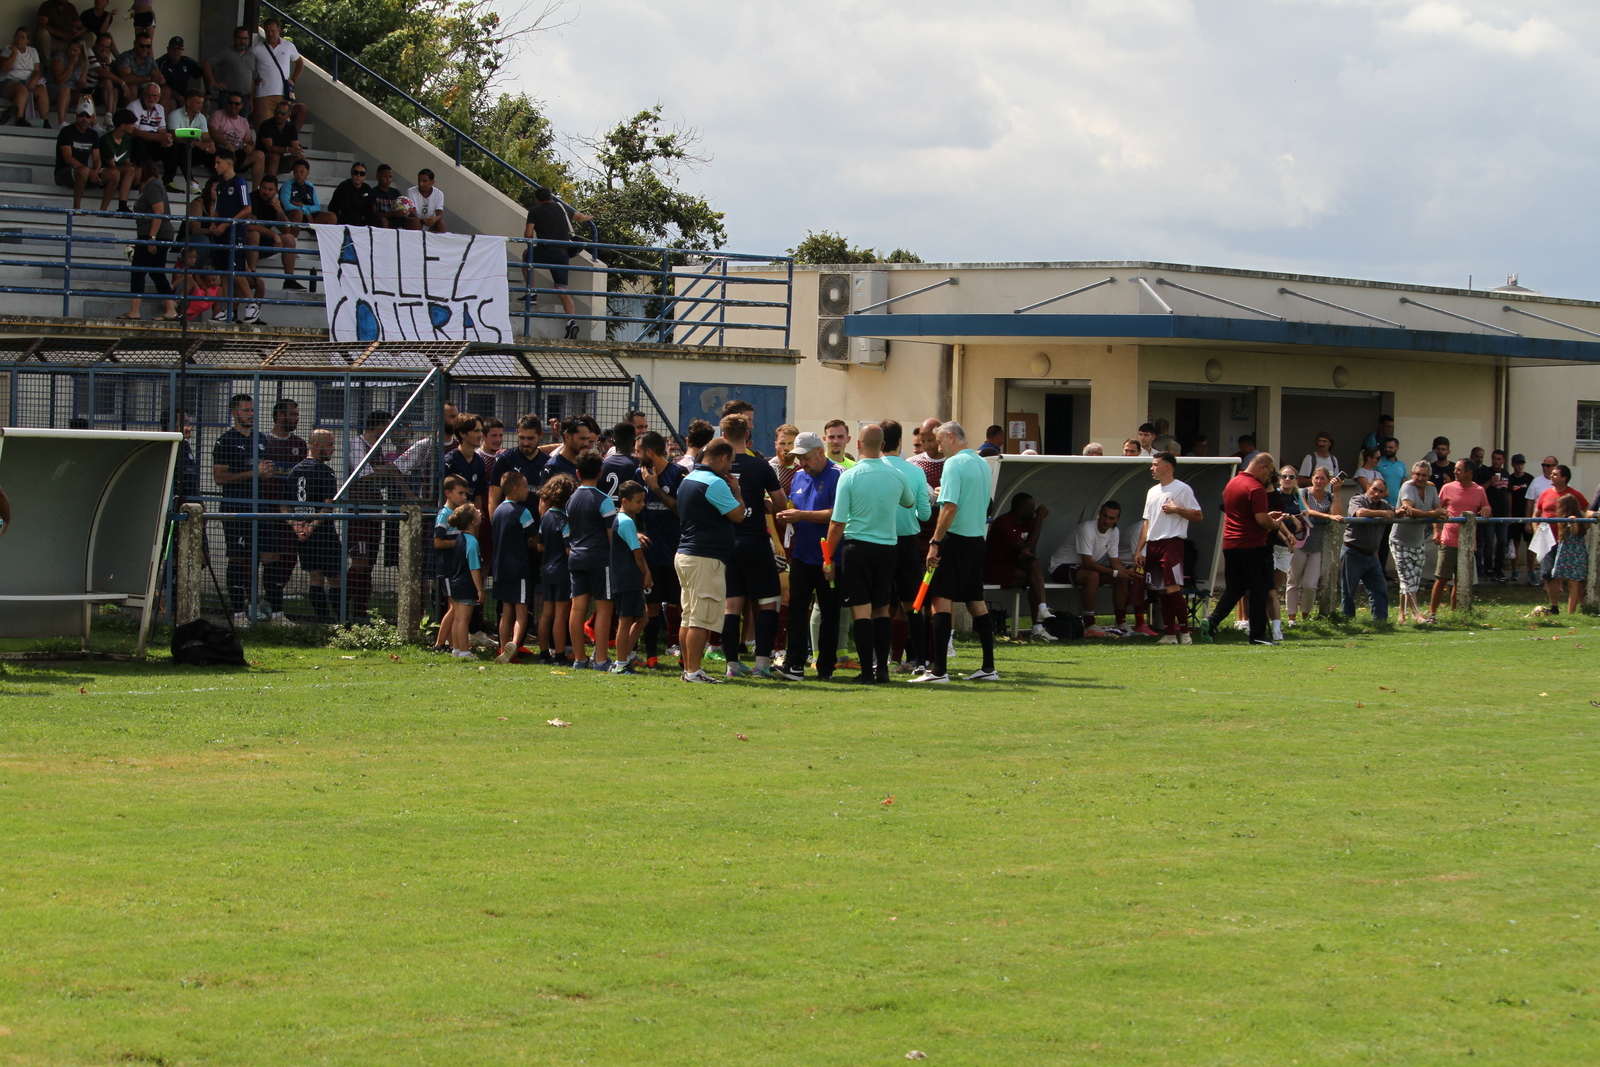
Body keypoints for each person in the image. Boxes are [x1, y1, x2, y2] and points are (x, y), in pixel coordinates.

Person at [822, 423, 915, 684]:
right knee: (882, 609)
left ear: (858, 445)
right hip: (887, 547)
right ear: (883, 446)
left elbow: (837, 522)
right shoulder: (896, 474)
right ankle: (882, 669)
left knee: (860, 611)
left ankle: (866, 671)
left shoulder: (849, 476)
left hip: (858, 547)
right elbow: (908, 502)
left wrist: (827, 557)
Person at [912, 421, 999, 683]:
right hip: (976, 539)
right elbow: (981, 502)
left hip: (955, 540)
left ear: (950, 437)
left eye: (939, 441)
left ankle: (939, 671)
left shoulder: (953, 464)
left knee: (939, 599)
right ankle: (988, 668)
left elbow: (949, 507)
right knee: (976, 602)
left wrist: (935, 542)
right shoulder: (982, 463)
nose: (938, 447)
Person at [719, 413, 787, 679]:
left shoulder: (716, 464)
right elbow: (781, 502)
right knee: (769, 601)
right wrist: (764, 502)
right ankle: (761, 664)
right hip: (755, 540)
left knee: (731, 606)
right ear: (747, 435)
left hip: (727, 541)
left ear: (723, 435)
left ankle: (732, 666)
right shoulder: (760, 466)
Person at [675, 438, 747, 683]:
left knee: (688, 616)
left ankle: (689, 669)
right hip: (704, 558)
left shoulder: (688, 479)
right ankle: (694, 672)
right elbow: (738, 515)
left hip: (686, 555)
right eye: (731, 462)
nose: (730, 468)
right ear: (723, 458)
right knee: (699, 618)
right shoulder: (714, 483)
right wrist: (736, 490)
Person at [775, 432, 843, 681]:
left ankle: (826, 667)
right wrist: (786, 513)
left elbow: (838, 514)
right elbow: (795, 505)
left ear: (820, 453)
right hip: (802, 555)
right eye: (797, 458)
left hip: (829, 556)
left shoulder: (838, 475)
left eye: (805, 458)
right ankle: (794, 663)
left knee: (829, 612)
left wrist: (802, 515)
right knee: (796, 609)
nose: (802, 462)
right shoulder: (799, 476)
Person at [1197, 454, 1277, 645]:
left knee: (1235, 588)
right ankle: (1257, 635)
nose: (1270, 478)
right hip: (1252, 544)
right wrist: (1275, 524)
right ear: (1263, 467)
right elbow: (1261, 520)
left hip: (1230, 544)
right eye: (1271, 472)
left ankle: (1212, 619)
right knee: (1259, 589)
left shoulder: (1232, 483)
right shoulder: (1256, 488)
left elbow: (1235, 508)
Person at [1133, 451, 1205, 644]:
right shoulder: (1152, 491)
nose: (1152, 468)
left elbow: (1198, 516)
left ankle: (1186, 633)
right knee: (1161, 591)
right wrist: (1140, 549)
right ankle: (1170, 634)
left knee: (1173, 589)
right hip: (1154, 545)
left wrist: (1177, 510)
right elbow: (1147, 522)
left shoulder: (1182, 489)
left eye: (1155, 464)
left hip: (1172, 543)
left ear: (1167, 466)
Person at [212, 392, 272, 624]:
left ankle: (271, 610)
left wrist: (266, 473)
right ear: (234, 413)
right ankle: (238, 612)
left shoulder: (260, 438)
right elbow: (219, 477)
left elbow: (262, 474)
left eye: (253, 410)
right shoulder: (225, 440)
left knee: (269, 556)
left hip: (260, 506)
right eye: (246, 410)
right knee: (238, 558)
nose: (251, 414)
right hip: (236, 507)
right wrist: (252, 473)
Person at [881, 419, 934, 671]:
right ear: (900, 441)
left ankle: (882, 660)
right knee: (912, 603)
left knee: (879, 603)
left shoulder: (867, 468)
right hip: (907, 541)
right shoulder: (914, 470)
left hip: (878, 540)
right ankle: (920, 660)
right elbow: (924, 515)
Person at [345, 408, 402, 624]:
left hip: (374, 509)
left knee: (368, 562)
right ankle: (340, 602)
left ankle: (361, 611)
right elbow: (365, 474)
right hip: (359, 510)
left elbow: (379, 475)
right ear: (380, 426)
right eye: (388, 427)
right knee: (359, 561)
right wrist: (392, 468)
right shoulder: (357, 444)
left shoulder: (378, 448)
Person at [565, 449, 616, 672]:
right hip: (598, 558)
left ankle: (579, 658)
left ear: (577, 473)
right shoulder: (604, 500)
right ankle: (602, 660)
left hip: (576, 558)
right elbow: (610, 535)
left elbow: (567, 531)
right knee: (604, 608)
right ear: (601, 473)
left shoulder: (571, 500)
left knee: (577, 609)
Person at [636, 431, 684, 666]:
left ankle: (684, 656)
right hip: (651, 553)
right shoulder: (639, 474)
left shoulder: (677, 474)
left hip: (675, 551)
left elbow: (679, 510)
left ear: (649, 452)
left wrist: (656, 488)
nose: (636, 456)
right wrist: (635, 531)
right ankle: (652, 655)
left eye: (638, 451)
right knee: (651, 606)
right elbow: (631, 509)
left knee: (682, 605)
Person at [256, 398, 306, 624]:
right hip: (265, 508)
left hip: (289, 511)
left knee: (288, 558)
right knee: (260, 557)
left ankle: (269, 601)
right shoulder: (263, 442)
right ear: (279, 416)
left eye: (297, 414)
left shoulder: (300, 444)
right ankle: (249, 604)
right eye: (292, 415)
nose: (296, 419)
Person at [1050, 500, 1131, 636]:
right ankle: (1089, 625)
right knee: (1093, 575)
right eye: (1104, 515)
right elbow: (1088, 563)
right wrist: (1116, 573)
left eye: (1111, 518)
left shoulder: (1114, 531)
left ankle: (1121, 622)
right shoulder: (1087, 529)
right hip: (1060, 567)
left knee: (1120, 579)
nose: (1106, 520)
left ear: (1117, 519)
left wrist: (1125, 573)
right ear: (1099, 513)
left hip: (1084, 568)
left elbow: (1114, 560)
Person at [984, 492, 1057, 640]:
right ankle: (1039, 623)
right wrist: (1039, 521)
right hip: (994, 568)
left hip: (1014, 565)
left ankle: (1040, 616)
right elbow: (1029, 547)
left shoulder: (1027, 521)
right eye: (1031, 509)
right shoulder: (1003, 522)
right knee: (1035, 579)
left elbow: (1031, 550)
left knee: (1034, 567)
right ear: (1020, 509)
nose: (1034, 512)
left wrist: (1027, 551)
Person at [523, 185, 591, 339]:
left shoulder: (534, 211)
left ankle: (532, 293)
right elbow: (579, 217)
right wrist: (589, 217)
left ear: (537, 200)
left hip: (544, 251)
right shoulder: (562, 208)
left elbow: (528, 233)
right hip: (562, 253)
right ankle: (571, 322)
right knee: (562, 289)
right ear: (552, 198)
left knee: (526, 259)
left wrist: (530, 247)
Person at [1429, 459, 1491, 617]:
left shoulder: (1479, 490)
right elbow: (1437, 509)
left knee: (1461, 581)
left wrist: (1486, 508)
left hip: (1468, 543)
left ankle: (1454, 613)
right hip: (1448, 540)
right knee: (1442, 578)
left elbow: (1486, 507)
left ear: (1470, 472)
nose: (1455, 472)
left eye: (1459, 469)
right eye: (1455, 469)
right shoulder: (1447, 488)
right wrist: (1437, 531)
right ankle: (1432, 614)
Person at [289, 428, 340, 621]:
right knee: (335, 578)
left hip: (303, 534)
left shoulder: (296, 470)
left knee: (316, 577)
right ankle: (339, 620)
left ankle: (323, 619)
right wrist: (311, 526)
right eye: (329, 444)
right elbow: (328, 507)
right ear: (316, 445)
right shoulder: (325, 472)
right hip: (323, 532)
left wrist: (296, 526)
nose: (333, 449)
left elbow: (284, 505)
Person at [490, 469, 537, 664]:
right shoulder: (523, 511)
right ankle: (515, 646)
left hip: (500, 567)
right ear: (516, 489)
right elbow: (533, 538)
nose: (528, 491)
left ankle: (503, 646)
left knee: (506, 610)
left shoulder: (498, 510)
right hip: (518, 567)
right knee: (521, 611)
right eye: (526, 487)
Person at [206, 147, 256, 322]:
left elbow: (247, 209)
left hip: (235, 232)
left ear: (229, 164)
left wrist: (228, 223)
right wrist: (214, 223)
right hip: (222, 232)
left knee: (236, 269)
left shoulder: (239, 182)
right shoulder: (220, 186)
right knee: (224, 271)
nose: (215, 166)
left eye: (218, 162)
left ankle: (252, 304)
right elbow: (218, 210)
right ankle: (228, 309)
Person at [120, 156, 174, 319]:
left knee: (138, 272)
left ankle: (135, 311)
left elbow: (158, 211)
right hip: (157, 234)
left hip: (154, 234)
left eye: (136, 169)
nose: (134, 173)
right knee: (157, 273)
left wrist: (151, 237)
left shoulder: (152, 186)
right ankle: (171, 310)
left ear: (142, 169)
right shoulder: (151, 186)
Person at [1530, 464, 1587, 615]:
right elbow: (1536, 514)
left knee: (1572, 576)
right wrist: (1536, 530)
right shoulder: (1545, 493)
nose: (1551, 476)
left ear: (1564, 477)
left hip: (1568, 542)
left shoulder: (1573, 495)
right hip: (1548, 539)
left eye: (1555, 474)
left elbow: (1588, 511)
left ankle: (1581, 607)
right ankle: (1554, 606)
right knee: (1549, 573)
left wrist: (1582, 527)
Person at [1286, 465, 1341, 623]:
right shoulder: (1302, 492)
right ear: (1312, 479)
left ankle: (1305, 616)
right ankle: (1291, 618)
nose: (1318, 481)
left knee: (1310, 585)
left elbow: (1338, 514)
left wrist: (1336, 492)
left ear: (1328, 481)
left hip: (1317, 546)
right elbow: (1308, 511)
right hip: (1300, 543)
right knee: (1293, 581)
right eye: (1316, 477)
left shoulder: (1329, 497)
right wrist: (1328, 517)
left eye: (1322, 478)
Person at [607, 481, 651, 673]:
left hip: (628, 577)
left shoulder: (624, 520)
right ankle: (621, 664)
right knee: (625, 621)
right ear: (625, 501)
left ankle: (625, 656)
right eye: (639, 501)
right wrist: (646, 572)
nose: (642, 505)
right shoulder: (625, 522)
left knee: (643, 618)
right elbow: (637, 553)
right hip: (625, 578)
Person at [1391, 461, 1442, 624]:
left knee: (1412, 580)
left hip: (1417, 540)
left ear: (1429, 476)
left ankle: (1401, 616)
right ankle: (1416, 614)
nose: (1419, 478)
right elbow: (1409, 510)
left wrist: (1440, 517)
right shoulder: (1407, 487)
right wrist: (1432, 514)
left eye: (1423, 475)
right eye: (1417, 474)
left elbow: (1438, 509)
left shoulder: (1432, 488)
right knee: (1407, 578)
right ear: (1412, 473)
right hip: (1400, 539)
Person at [534, 474, 575, 664]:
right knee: (561, 614)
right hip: (561, 572)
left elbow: (540, 546)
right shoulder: (565, 520)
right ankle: (559, 654)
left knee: (546, 613)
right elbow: (569, 549)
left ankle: (543, 653)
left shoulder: (546, 517)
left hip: (546, 570)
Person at [1266, 465, 1306, 641]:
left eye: (1291, 477)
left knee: (1275, 587)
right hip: (1273, 544)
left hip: (1287, 548)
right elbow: (1275, 520)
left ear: (1296, 479)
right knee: (1268, 588)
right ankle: (1267, 624)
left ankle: (1271, 624)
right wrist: (1287, 534)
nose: (1287, 479)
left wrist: (1297, 521)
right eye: (1284, 476)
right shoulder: (1276, 496)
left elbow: (1304, 513)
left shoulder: (1298, 496)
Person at [440, 504, 483, 659]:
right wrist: (480, 589)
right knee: (464, 620)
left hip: (455, 582)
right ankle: (465, 651)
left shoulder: (459, 538)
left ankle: (456, 649)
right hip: (466, 584)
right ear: (474, 522)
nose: (479, 512)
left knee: (457, 619)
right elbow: (474, 567)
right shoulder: (472, 541)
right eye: (476, 512)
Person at [249, 18, 304, 126]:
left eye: (273, 31)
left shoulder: (288, 46)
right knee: (263, 125)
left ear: (279, 30)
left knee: (282, 127)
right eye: (267, 31)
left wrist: (293, 79)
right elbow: (249, 69)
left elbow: (300, 62)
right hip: (263, 94)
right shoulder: (256, 49)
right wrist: (254, 81)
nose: (270, 34)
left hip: (283, 94)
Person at [163, 84, 211, 191]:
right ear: (188, 102)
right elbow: (175, 137)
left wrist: (210, 144)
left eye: (202, 103)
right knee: (183, 147)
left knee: (217, 153)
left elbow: (206, 137)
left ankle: (217, 186)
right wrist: (197, 144)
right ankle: (190, 182)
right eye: (198, 103)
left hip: (192, 153)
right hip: (177, 152)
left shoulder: (201, 117)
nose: (200, 106)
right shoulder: (175, 115)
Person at [53, 101, 100, 207]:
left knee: (113, 174)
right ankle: (76, 208)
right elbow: (68, 158)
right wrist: (89, 170)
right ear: (76, 115)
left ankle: (104, 212)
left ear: (92, 117)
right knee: (83, 171)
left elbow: (96, 158)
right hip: (64, 173)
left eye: (87, 116)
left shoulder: (93, 134)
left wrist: (95, 170)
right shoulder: (66, 131)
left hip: (84, 173)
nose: (84, 118)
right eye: (81, 115)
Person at [3, 26, 51, 125]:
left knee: (41, 89)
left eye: (22, 37)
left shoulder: (32, 51)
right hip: (10, 82)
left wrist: (34, 80)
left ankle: (45, 122)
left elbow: (37, 70)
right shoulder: (8, 49)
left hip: (28, 81)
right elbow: (4, 68)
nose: (18, 39)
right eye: (17, 36)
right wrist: (14, 54)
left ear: (27, 40)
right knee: (22, 89)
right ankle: (19, 119)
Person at [202, 26, 255, 114]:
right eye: (240, 38)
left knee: (241, 126)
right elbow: (206, 63)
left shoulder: (252, 56)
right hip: (228, 97)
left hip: (245, 98)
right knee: (226, 125)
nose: (242, 41)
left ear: (249, 39)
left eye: (245, 38)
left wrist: (251, 100)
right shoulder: (225, 52)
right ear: (234, 38)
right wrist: (213, 82)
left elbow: (252, 79)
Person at [1550, 494, 1589, 616]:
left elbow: (1575, 531)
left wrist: (1572, 523)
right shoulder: (1563, 520)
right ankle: (1585, 608)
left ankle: (1571, 614)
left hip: (1575, 554)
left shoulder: (1574, 519)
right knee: (1574, 585)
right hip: (1567, 553)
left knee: (1574, 585)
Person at [207, 90, 259, 179]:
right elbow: (211, 132)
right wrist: (226, 142)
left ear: (242, 106)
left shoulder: (243, 121)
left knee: (259, 155)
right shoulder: (217, 114)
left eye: (236, 104)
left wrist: (250, 146)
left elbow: (249, 140)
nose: (233, 105)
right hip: (219, 151)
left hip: (236, 154)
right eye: (230, 103)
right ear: (226, 103)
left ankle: (256, 191)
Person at [1480, 448, 1512, 582]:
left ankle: (1498, 569)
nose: (1496, 461)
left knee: (1502, 542)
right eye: (1494, 458)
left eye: (1499, 459)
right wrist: (1490, 482)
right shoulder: (1485, 472)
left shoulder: (1506, 474)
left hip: (1503, 515)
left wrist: (1510, 513)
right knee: (1488, 543)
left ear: (1503, 461)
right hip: (1489, 515)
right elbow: (1479, 490)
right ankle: (1487, 569)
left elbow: (1509, 494)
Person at [254, 97, 301, 179]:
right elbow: (269, 148)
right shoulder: (266, 125)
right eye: (277, 112)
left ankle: (299, 187)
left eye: (282, 113)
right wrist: (288, 149)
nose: (278, 115)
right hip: (262, 159)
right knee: (275, 156)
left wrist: (297, 151)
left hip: (280, 158)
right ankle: (270, 183)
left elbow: (294, 147)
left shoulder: (291, 127)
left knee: (300, 159)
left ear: (288, 115)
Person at [46, 36, 88, 126]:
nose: (71, 52)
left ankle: (92, 124)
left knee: (87, 96)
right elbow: (60, 81)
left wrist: (85, 87)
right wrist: (71, 66)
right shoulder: (59, 57)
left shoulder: (84, 62)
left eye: (75, 50)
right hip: (55, 88)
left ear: (81, 51)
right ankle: (62, 122)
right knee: (65, 89)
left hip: (73, 90)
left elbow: (82, 81)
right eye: (70, 48)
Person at [1506, 454, 1535, 584]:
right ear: (1513, 464)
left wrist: (1530, 518)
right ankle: (1515, 571)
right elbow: (1509, 496)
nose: (1520, 466)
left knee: (1530, 544)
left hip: (1527, 516)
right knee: (1515, 543)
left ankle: (1532, 571)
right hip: (1515, 515)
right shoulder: (1510, 479)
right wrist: (1510, 514)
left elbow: (1532, 500)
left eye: (1522, 463)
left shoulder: (1529, 479)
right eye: (1517, 463)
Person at [600, 420, 639, 502]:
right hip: (628, 513)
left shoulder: (603, 465)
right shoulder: (637, 465)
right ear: (634, 442)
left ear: (613, 442)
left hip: (607, 512)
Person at [112, 31, 157, 103]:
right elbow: (125, 78)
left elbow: (158, 76)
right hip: (124, 90)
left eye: (148, 46)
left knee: (164, 90)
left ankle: (156, 114)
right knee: (132, 87)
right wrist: (149, 78)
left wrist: (160, 79)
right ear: (135, 44)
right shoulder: (125, 57)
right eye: (142, 46)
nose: (145, 49)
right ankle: (132, 114)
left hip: (145, 90)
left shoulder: (150, 59)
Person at [153, 34, 196, 109]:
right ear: (168, 49)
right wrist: (178, 97)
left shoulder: (187, 61)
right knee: (171, 103)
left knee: (204, 102)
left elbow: (205, 71)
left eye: (179, 49)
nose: (176, 51)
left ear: (183, 50)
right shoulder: (161, 63)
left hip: (185, 95)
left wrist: (208, 92)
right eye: (173, 48)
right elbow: (160, 84)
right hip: (169, 96)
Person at [85, 32, 122, 116]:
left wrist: (107, 63)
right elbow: (102, 73)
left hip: (96, 90)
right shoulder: (89, 51)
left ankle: (109, 117)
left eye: (107, 47)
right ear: (96, 44)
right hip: (85, 89)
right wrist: (121, 82)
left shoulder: (106, 56)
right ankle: (109, 117)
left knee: (114, 88)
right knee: (108, 81)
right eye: (101, 46)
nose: (104, 50)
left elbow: (105, 77)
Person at [328, 161, 374, 227]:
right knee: (354, 218)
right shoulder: (344, 186)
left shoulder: (367, 188)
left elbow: (370, 209)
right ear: (351, 173)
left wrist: (360, 213)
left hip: (361, 217)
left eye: (362, 174)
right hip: (343, 217)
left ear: (365, 176)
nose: (358, 175)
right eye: (355, 173)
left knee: (376, 220)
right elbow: (345, 208)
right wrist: (361, 212)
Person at [405, 168, 445, 232]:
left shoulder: (439, 194)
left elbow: (439, 215)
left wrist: (434, 219)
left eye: (424, 181)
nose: (420, 184)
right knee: (415, 221)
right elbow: (411, 213)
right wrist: (421, 220)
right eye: (419, 180)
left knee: (441, 223)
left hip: (430, 224)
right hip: (416, 222)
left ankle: (442, 241)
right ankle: (418, 241)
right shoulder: (411, 191)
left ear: (432, 182)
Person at [1374, 436, 1406, 509]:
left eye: (1391, 447)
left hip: (1397, 504)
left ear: (1397, 448)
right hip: (1380, 504)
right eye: (1386, 447)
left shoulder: (1402, 465)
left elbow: (1404, 484)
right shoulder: (1378, 462)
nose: (1388, 449)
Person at [770, 422, 800, 494]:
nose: (786, 448)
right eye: (782, 443)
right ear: (776, 445)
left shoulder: (801, 470)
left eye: (790, 443)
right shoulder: (769, 469)